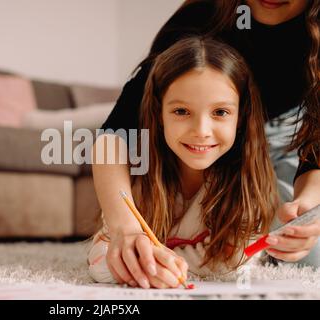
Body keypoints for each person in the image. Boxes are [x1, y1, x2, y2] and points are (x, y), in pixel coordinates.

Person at [91, 0, 320, 289]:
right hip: (226, 141)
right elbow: (116, 132)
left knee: (309, 256)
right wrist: (125, 230)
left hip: (293, 136)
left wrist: (309, 206)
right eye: (182, 111)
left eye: (219, 111)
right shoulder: (202, 18)